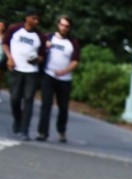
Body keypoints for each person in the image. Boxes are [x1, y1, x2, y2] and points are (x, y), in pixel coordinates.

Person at [2, 8, 45, 140]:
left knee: (28, 99)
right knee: (15, 98)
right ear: (27, 18)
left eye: (38, 19)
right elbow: (5, 43)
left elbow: (42, 55)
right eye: (33, 18)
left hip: (31, 71)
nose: (36, 21)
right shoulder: (15, 29)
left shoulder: (40, 36)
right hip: (16, 68)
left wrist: (37, 59)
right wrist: (9, 57)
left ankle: (25, 129)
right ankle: (18, 119)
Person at [37, 14, 79, 143]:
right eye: (62, 25)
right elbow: (38, 52)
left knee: (63, 107)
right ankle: (42, 132)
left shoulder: (73, 43)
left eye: (67, 26)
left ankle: (61, 131)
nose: (64, 28)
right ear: (58, 25)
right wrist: (45, 47)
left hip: (65, 79)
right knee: (46, 104)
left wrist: (64, 71)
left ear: (69, 28)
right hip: (48, 74)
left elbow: (75, 61)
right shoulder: (48, 38)